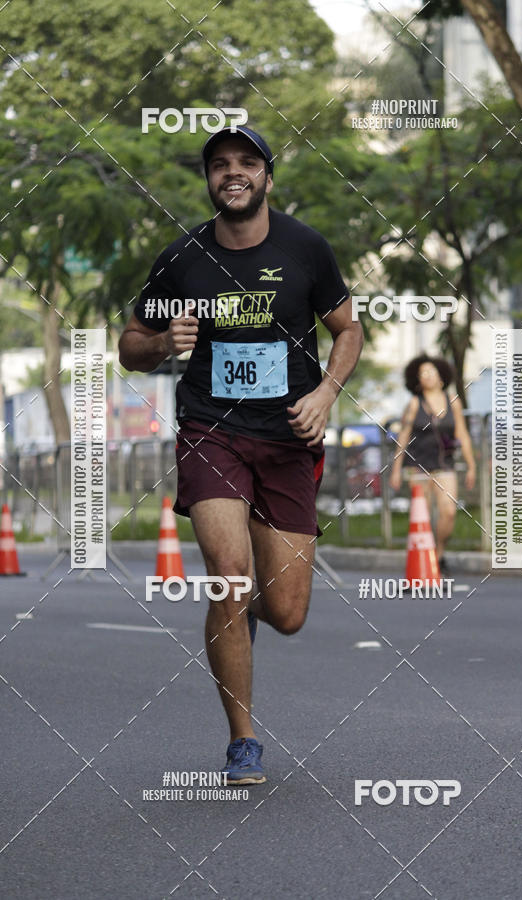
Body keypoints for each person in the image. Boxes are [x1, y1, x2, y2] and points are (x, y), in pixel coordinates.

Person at [118, 125, 363, 784]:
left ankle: (247, 605)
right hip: (211, 432)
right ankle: (242, 741)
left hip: (287, 438)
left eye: (247, 163)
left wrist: (326, 393)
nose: (234, 172)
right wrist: (163, 342)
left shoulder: (306, 248)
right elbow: (130, 344)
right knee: (228, 575)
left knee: (285, 614)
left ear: (266, 177)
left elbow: (347, 328)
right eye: (220, 164)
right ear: (209, 180)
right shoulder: (183, 259)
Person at [389, 354, 475, 570]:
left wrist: (471, 465)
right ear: (417, 380)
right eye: (423, 373)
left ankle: (439, 553)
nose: (427, 376)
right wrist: (396, 469)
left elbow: (462, 434)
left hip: (445, 465)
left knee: (448, 511)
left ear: (441, 377)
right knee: (423, 516)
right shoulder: (413, 403)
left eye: (431, 371)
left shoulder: (452, 401)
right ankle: (424, 561)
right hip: (418, 467)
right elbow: (403, 436)